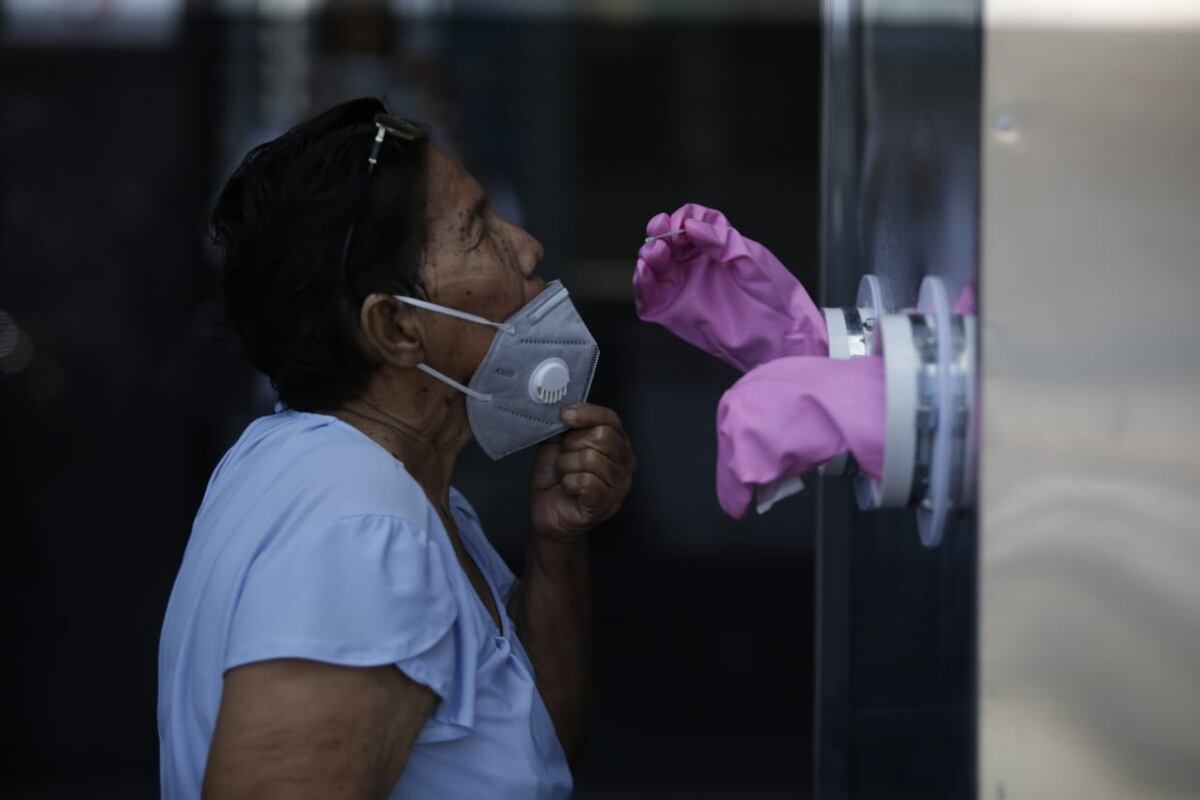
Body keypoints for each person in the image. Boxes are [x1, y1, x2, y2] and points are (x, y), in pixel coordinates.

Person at [158, 98, 635, 799]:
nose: (526, 245)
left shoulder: (353, 475)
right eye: (478, 230)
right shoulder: (361, 532)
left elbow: (535, 748)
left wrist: (556, 547)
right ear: (396, 328)